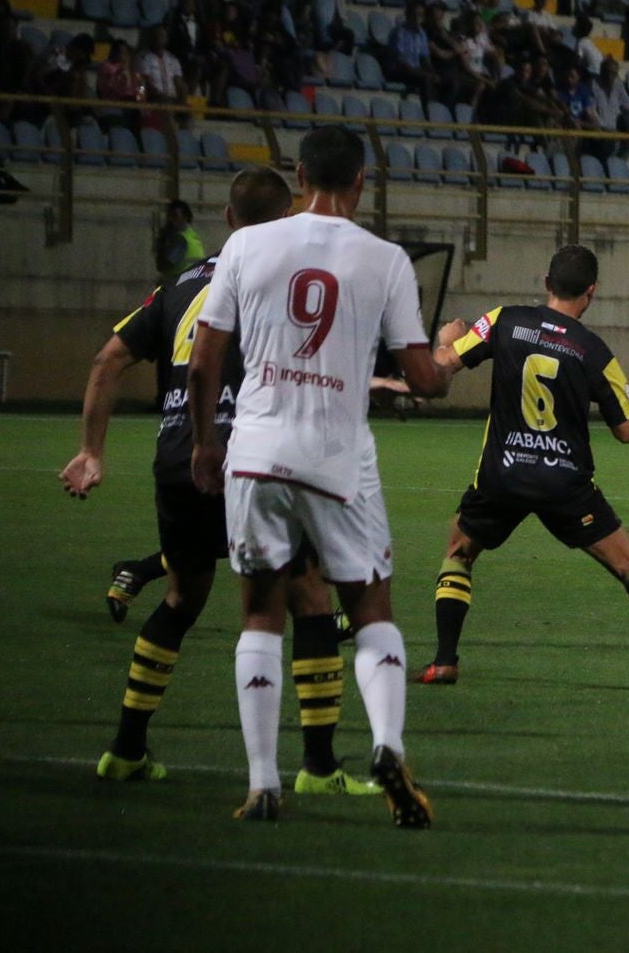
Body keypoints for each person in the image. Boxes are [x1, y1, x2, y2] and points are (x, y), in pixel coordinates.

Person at [61, 167, 376, 799]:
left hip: (179, 458)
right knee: (310, 601)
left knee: (181, 599)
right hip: (257, 457)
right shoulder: (293, 278)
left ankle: (125, 751)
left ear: (228, 220)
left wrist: (90, 451)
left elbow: (106, 362)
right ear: (287, 215)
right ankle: (318, 768)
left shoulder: (179, 285)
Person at [188, 125, 459, 825]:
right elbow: (423, 377)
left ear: (300, 173)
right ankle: (389, 744)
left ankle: (261, 783)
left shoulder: (247, 244)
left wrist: (205, 444)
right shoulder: (387, 259)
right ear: (362, 180)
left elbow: (202, 361)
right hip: (338, 457)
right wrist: (452, 358)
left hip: (255, 447)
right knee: (372, 612)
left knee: (258, 613)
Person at [414, 245, 629, 698]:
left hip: (504, 473)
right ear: (592, 292)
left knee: (459, 552)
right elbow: (625, 430)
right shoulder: (594, 351)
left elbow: (442, 365)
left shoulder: (504, 320)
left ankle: (444, 662)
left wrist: (445, 340)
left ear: (546, 283)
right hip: (566, 483)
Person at [153, 199, 206, 282]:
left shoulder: (180, 240)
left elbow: (162, 266)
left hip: (176, 287)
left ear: (185, 217)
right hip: (194, 286)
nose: (170, 220)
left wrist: (161, 241)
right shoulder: (194, 237)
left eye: (174, 216)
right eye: (169, 217)